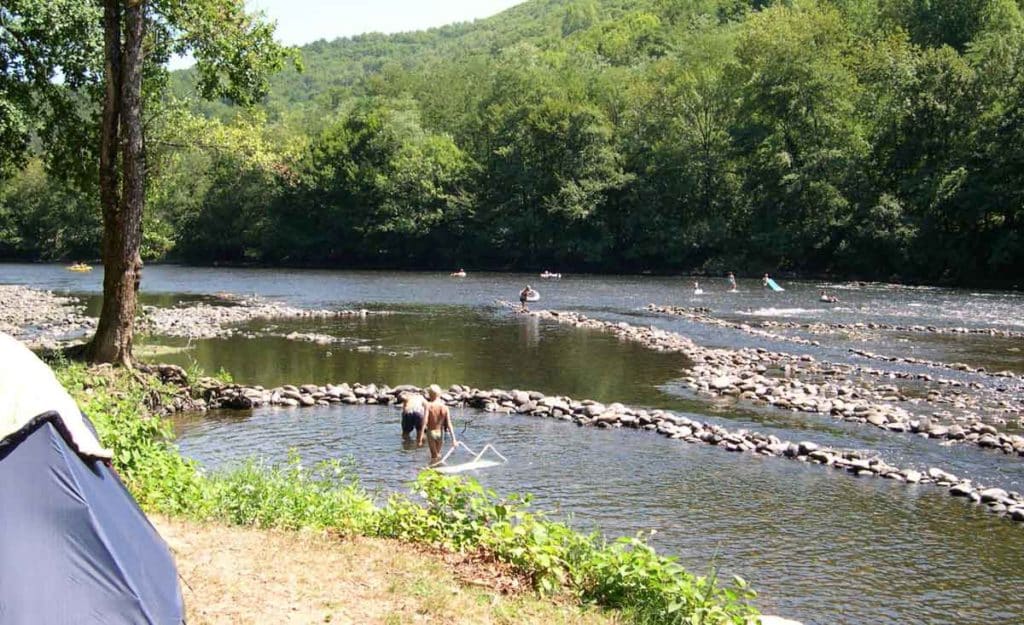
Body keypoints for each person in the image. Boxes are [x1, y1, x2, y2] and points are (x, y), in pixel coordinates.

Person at [418, 384, 457, 464]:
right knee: (437, 454)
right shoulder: (445, 407)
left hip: (431, 432)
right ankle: (438, 467)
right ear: (439, 394)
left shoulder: (428, 405)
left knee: (434, 456)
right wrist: (454, 439)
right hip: (440, 434)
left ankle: (432, 467)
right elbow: (449, 424)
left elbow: (425, 421)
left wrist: (421, 436)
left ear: (430, 394)